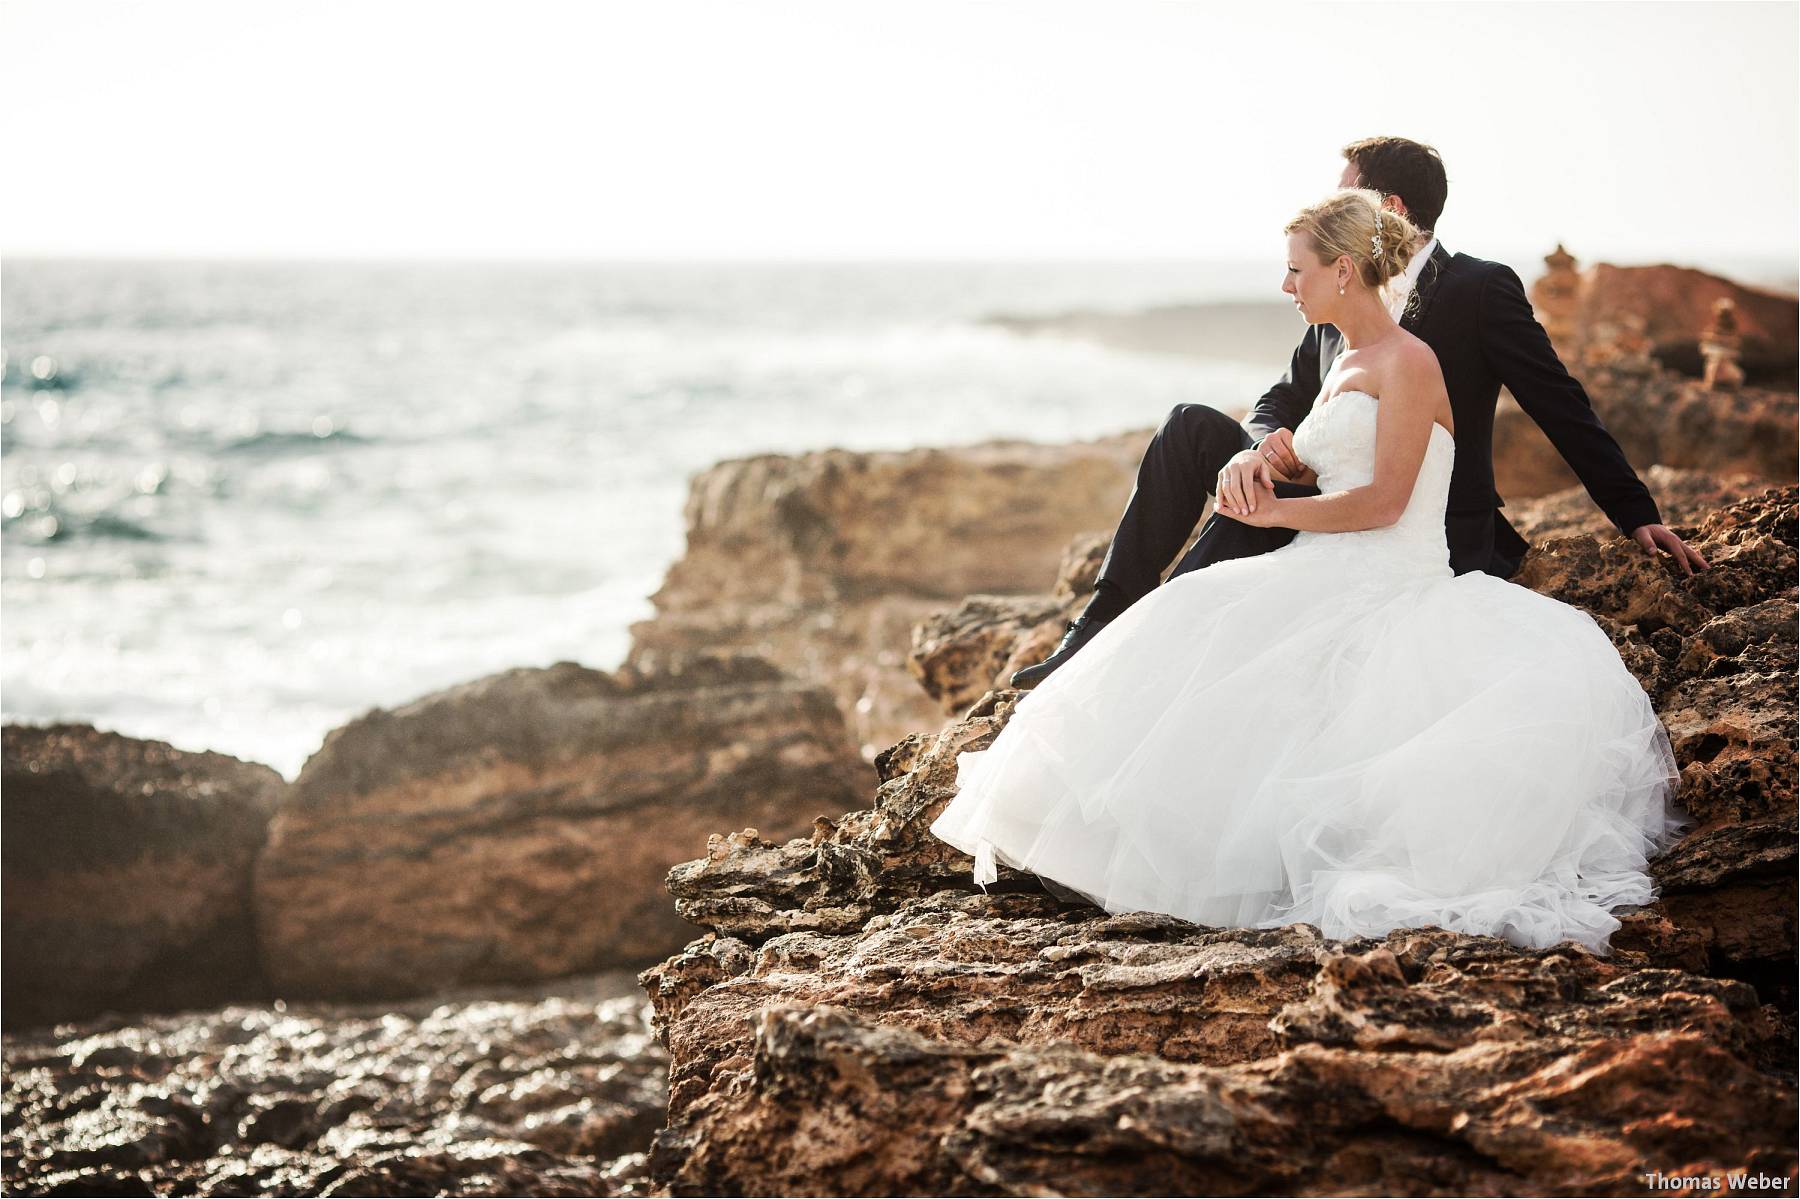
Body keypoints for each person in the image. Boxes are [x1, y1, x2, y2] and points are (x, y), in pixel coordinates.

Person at [928, 189, 1692, 956]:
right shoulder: (1341, 357)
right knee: (1190, 617)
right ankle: (1099, 802)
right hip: (1322, 560)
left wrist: (1270, 514)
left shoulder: (1411, 361)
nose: (1286, 286)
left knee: (1208, 626)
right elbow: (1298, 433)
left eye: (1297, 271)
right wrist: (1263, 457)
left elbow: (1387, 501)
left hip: (1389, 574)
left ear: (1346, 271)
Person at [1010, 136, 1707, 691]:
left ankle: (1158, 643)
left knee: (1238, 532)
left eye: (1343, 195)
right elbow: (1285, 393)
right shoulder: (1338, 289)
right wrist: (1258, 446)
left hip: (1416, 522)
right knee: (1191, 426)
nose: (1327, 209)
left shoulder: (1478, 289)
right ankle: (1101, 624)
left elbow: (1561, 404)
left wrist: (1635, 511)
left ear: (1390, 207)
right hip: (1318, 494)